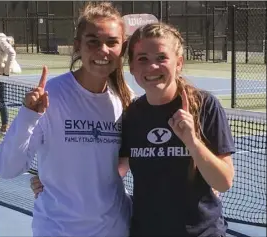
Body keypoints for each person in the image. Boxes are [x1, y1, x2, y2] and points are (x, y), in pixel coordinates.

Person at [30, 23, 234, 236]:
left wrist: (192, 142)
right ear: (132, 68)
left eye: (161, 58)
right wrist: (53, 182)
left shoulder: (204, 106)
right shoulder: (132, 114)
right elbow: (111, 169)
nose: (152, 67)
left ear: (179, 63)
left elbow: (223, 182)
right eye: (143, 59)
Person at [0, 2, 133, 237]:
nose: (103, 50)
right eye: (93, 42)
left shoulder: (126, 99)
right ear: (78, 46)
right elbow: (6, 168)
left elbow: (119, 165)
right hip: (58, 231)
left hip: (115, 229)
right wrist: (28, 115)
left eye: (112, 42)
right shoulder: (51, 96)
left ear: (122, 48)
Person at [0, 23, 10, 136]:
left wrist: (6, 71)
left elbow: (12, 53)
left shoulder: (1, 40)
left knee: (0, 100)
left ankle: (5, 126)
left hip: (0, 74)